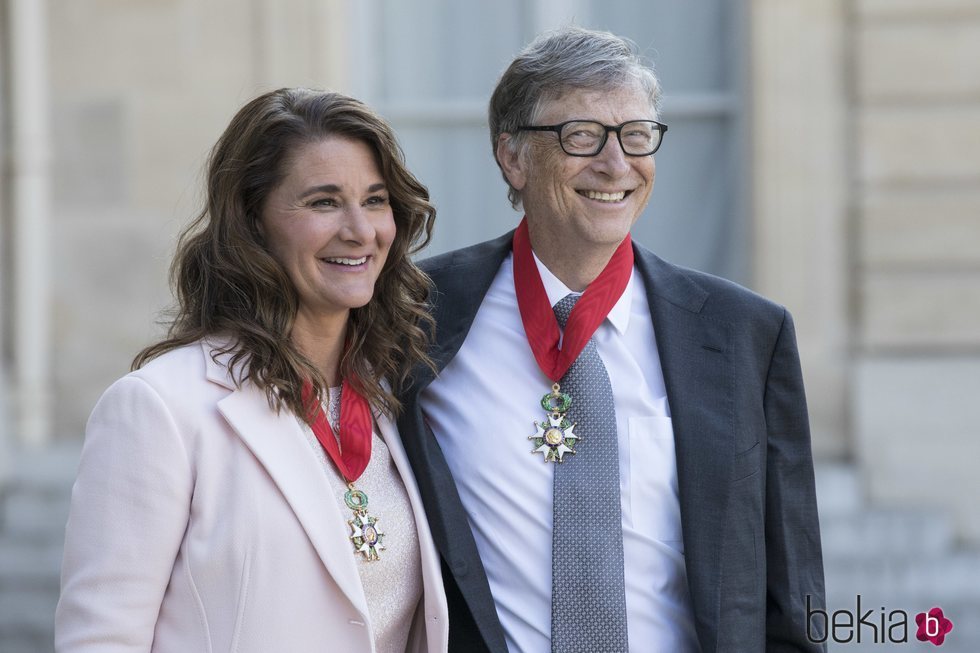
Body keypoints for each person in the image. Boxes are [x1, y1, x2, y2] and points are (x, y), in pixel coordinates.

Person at [397, 26, 826, 653]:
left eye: (636, 135)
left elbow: (795, 601)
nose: (615, 163)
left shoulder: (745, 335)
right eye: (581, 136)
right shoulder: (415, 314)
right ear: (512, 156)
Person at [56, 88, 448, 653]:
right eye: (323, 202)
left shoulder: (399, 396)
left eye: (376, 199)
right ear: (252, 221)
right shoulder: (159, 408)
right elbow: (100, 641)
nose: (361, 230)